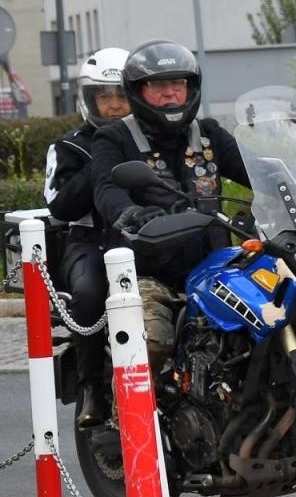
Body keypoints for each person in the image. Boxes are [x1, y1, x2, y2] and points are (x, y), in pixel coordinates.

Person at [88, 39, 250, 364]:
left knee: (269, 319)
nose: (170, 94)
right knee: (151, 339)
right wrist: (129, 212)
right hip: (148, 272)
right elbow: (106, 188)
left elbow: (255, 169)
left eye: (178, 84)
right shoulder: (114, 138)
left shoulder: (210, 135)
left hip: (216, 268)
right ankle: (130, 398)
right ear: (137, 90)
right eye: (158, 86)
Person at [42, 47, 130, 427]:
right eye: (104, 97)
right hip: (90, 241)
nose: (114, 105)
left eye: (122, 95)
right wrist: (100, 163)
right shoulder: (69, 147)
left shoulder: (150, 141)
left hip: (143, 239)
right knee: (91, 293)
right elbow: (59, 205)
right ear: (89, 99)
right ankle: (91, 385)